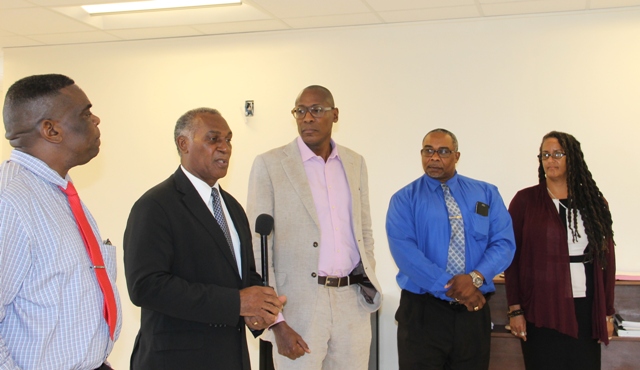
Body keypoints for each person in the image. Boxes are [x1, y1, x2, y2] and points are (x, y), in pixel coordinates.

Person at [123, 108, 286, 369]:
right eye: (213, 139)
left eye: (229, 139)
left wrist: (259, 310)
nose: (225, 147)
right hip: (176, 360)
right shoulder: (155, 205)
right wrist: (238, 303)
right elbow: (146, 286)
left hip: (230, 358)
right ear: (183, 144)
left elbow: (241, 278)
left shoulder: (232, 207)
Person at [247, 85, 382, 370]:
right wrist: (277, 322)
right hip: (298, 305)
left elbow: (364, 230)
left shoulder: (355, 162)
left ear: (334, 115)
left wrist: (366, 274)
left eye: (316, 110)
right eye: (300, 111)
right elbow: (259, 247)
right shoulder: (270, 164)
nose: (307, 118)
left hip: (351, 302)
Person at [0, 74, 122, 369]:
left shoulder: (57, 192)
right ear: (51, 130)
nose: (97, 120)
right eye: (85, 113)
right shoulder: (10, 201)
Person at [386, 128, 516, 370]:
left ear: (456, 156)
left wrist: (474, 279)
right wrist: (456, 288)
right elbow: (406, 254)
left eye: (443, 151)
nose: (435, 157)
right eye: (428, 151)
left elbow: (504, 242)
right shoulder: (404, 199)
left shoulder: (486, 193)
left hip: (473, 313)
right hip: (422, 312)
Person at [504, 131, 616, 370]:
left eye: (557, 154)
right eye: (545, 154)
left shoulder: (594, 202)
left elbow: (607, 260)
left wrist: (606, 314)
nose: (550, 160)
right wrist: (515, 310)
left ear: (571, 158)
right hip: (539, 307)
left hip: (585, 305)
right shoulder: (525, 201)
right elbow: (511, 258)